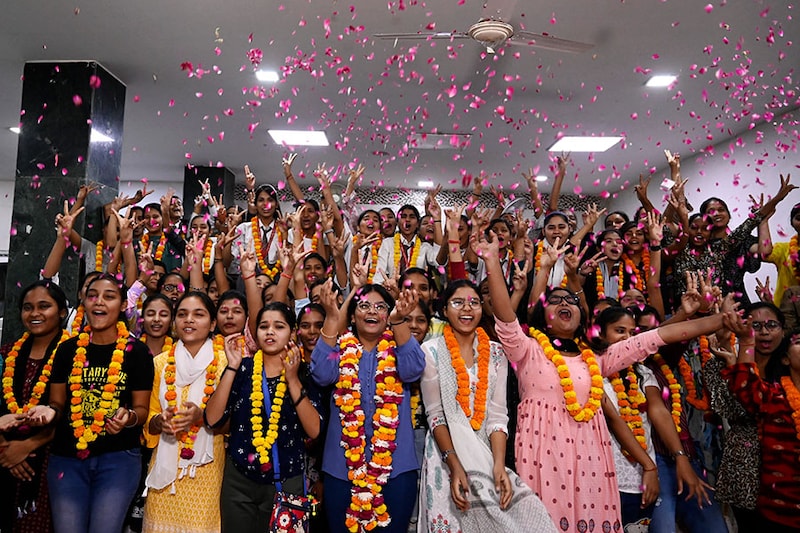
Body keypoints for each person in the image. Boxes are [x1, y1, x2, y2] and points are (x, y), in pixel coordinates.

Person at [477, 230, 736, 531]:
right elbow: (506, 319)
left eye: (572, 300)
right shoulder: (527, 350)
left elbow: (656, 338)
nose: (566, 302)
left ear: (581, 317)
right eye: (555, 300)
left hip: (591, 459)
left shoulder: (597, 359)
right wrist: (492, 262)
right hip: (542, 456)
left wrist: (719, 320)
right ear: (541, 315)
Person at [417, 280, 556, 532]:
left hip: (487, 453)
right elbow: (435, 415)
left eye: (474, 303)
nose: (466, 309)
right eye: (457, 303)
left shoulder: (497, 353)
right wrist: (455, 465)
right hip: (444, 456)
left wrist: (499, 465)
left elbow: (497, 416)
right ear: (445, 310)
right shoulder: (431, 351)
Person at [26, 274, 154, 533]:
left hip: (118, 459)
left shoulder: (137, 352)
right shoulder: (67, 350)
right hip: (67, 459)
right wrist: (48, 411)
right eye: (93, 295)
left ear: (121, 306)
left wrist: (128, 417)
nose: (100, 302)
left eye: (109, 297)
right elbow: (57, 403)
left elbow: (141, 410)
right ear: (84, 301)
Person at [311, 276, 425, 533]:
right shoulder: (339, 348)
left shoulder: (399, 346)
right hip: (342, 469)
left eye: (381, 306)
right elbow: (321, 374)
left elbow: (413, 371)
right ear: (352, 317)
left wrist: (400, 322)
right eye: (364, 306)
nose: (372, 311)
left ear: (389, 314)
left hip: (396, 469)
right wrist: (331, 317)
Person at [205, 302, 321, 533]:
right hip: (239, 480)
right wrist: (232, 366)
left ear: (292, 332)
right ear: (255, 332)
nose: (270, 332)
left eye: (279, 326)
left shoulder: (304, 371)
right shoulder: (243, 369)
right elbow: (212, 419)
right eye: (264, 326)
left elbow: (314, 430)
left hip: (286, 480)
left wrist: (293, 380)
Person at [142, 292, 227, 532]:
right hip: (164, 468)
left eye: (198, 315)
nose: (188, 320)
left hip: (207, 471)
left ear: (212, 324)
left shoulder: (225, 364)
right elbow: (149, 418)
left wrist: (202, 417)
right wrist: (160, 421)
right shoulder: (159, 363)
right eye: (182, 314)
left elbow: (232, 422)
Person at [0, 281, 70, 533]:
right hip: (4, 460)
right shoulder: (6, 354)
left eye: (44, 306)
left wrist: (27, 446)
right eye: (28, 307)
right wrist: (6, 449)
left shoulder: (76, 355)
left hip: (53, 465)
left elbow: (71, 415)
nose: (35, 314)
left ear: (62, 311)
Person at [722, 320, 800, 531]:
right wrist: (747, 340)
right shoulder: (772, 397)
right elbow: (744, 383)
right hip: (778, 515)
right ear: (785, 359)